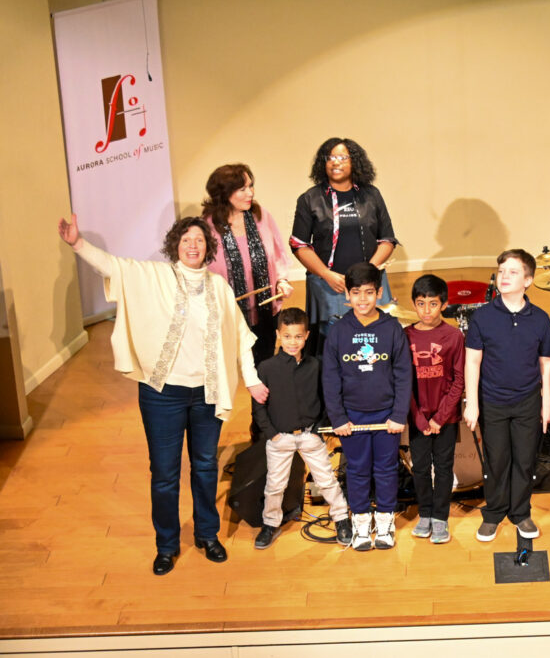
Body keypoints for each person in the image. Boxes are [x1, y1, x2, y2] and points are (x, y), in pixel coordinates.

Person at [57, 214, 268, 576]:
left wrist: (251, 379)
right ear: (175, 245)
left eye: (199, 240)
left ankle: (207, 535)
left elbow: (239, 338)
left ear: (208, 247)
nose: (192, 245)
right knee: (165, 473)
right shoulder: (153, 276)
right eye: (186, 240)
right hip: (163, 395)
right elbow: (111, 266)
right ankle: (167, 546)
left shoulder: (219, 286)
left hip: (207, 393)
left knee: (206, 467)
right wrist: (77, 243)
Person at [464, 249, 550, 542]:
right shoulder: (483, 317)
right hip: (492, 401)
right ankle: (493, 513)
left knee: (525, 460)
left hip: (528, 401)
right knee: (497, 461)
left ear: (528, 280)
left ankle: (521, 513)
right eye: (501, 271)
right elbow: (472, 361)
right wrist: (472, 404)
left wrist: (547, 404)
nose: (504, 276)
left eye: (513, 272)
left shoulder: (540, 319)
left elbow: (546, 364)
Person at [322, 262, 412, 551]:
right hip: (352, 417)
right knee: (358, 470)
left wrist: (398, 414)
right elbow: (330, 378)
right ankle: (360, 520)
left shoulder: (392, 328)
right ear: (347, 294)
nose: (363, 299)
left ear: (379, 292)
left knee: (386, 470)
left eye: (369, 292)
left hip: (387, 416)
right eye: (356, 292)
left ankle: (385, 520)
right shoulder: (338, 331)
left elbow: (403, 374)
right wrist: (338, 417)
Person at [252, 308, 352, 549]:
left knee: (326, 480)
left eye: (298, 336)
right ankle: (270, 523)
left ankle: (341, 518)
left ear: (307, 335)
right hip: (280, 438)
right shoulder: (266, 368)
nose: (292, 342)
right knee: (275, 485)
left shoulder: (316, 366)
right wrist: (272, 434)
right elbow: (258, 407)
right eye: (287, 336)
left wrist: (318, 429)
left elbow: (326, 399)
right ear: (278, 334)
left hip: (310, 435)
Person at [290, 138, 398, 350]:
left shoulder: (372, 195)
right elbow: (299, 244)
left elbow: (387, 239)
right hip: (329, 285)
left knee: (374, 345)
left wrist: (368, 272)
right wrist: (326, 274)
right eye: (330, 157)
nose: (335, 162)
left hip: (369, 284)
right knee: (333, 347)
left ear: (354, 162)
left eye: (342, 157)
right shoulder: (309, 199)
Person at [202, 164, 293, 367]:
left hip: (265, 309)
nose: (250, 193)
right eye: (242, 189)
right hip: (227, 314)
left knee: (264, 364)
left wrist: (282, 281)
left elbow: (278, 253)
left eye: (251, 186)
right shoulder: (207, 226)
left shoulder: (262, 216)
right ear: (224, 193)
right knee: (230, 368)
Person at [405, 275, 466, 544]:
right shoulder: (405, 336)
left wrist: (440, 418)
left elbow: (459, 380)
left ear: (443, 304)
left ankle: (440, 517)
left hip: (445, 418)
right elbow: (403, 382)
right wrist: (419, 418)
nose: (427, 310)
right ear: (414, 304)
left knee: (443, 468)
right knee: (419, 468)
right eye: (421, 303)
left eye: (433, 304)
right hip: (417, 417)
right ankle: (425, 513)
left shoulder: (454, 336)